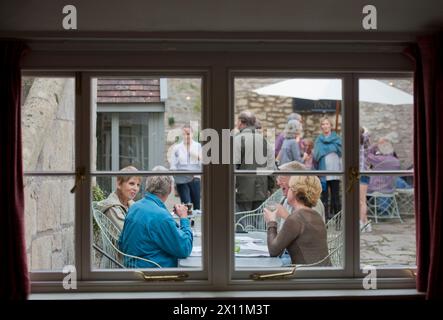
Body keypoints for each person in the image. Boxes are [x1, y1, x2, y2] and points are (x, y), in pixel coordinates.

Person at [118, 166, 193, 268]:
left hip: (131, 268)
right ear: (170, 189)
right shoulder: (161, 216)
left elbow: (122, 244)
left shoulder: (134, 207)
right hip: (153, 274)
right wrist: (184, 218)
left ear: (147, 186)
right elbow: (185, 249)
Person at [263, 175, 331, 266]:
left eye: (290, 188)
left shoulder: (295, 219)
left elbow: (274, 251)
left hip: (307, 276)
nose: (288, 192)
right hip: (323, 273)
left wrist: (271, 222)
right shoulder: (315, 215)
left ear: (296, 192)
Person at [234, 110, 275, 212]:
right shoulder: (264, 140)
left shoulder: (237, 140)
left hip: (242, 193)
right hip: (261, 190)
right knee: (257, 225)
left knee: (241, 225)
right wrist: (270, 187)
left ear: (240, 122)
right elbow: (271, 166)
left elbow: (232, 167)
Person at [314, 117, 342, 221]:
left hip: (335, 171)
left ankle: (338, 220)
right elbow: (316, 155)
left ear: (331, 126)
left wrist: (330, 149)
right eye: (323, 124)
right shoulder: (318, 140)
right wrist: (329, 150)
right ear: (321, 126)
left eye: (327, 124)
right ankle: (324, 220)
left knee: (336, 197)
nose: (325, 126)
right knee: (324, 198)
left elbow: (341, 151)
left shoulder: (337, 139)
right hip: (323, 172)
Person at [96, 166, 141, 231]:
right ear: (119, 184)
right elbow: (129, 233)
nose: (136, 188)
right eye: (131, 183)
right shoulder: (112, 208)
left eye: (138, 185)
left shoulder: (132, 204)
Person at [169, 124, 202, 210]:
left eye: (188, 133)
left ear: (192, 134)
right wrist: (174, 181)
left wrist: (197, 157)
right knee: (186, 204)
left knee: (197, 206)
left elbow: (203, 165)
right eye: (184, 134)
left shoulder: (198, 146)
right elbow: (173, 166)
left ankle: (194, 223)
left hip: (195, 179)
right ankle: (187, 222)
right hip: (182, 179)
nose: (186, 136)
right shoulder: (177, 148)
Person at [366, 138, 401, 215]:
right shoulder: (396, 161)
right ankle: (381, 210)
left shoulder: (379, 159)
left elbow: (366, 154)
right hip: (390, 188)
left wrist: (374, 146)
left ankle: (363, 209)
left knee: (361, 186)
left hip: (377, 188)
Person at [359, 127, 372, 232]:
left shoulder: (364, 144)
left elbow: (367, 135)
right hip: (357, 173)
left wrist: (364, 129)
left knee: (361, 201)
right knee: (360, 200)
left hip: (362, 173)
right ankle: (366, 223)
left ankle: (362, 224)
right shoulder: (358, 144)